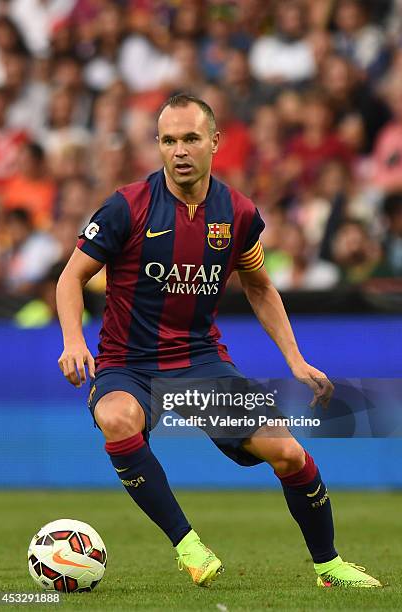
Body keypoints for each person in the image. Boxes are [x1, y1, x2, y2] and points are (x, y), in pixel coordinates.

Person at [56, 94, 381, 589]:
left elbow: (259, 284)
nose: (179, 150)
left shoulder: (237, 213)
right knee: (117, 418)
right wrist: (73, 340)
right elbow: (70, 278)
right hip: (128, 363)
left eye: (189, 138)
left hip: (200, 364)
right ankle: (188, 546)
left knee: (289, 453)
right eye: (168, 140)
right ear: (158, 145)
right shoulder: (127, 207)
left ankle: (329, 566)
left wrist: (295, 359)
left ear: (214, 142)